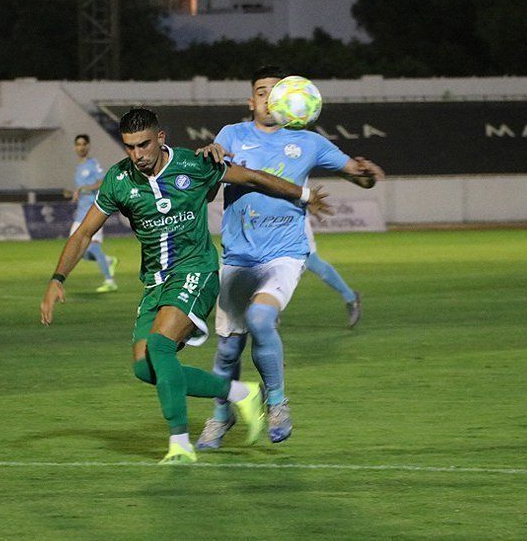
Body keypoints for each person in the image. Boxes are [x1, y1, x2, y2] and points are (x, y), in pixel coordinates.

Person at [40, 108, 331, 464]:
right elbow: (84, 232)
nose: (137, 155)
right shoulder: (119, 180)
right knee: (144, 368)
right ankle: (241, 392)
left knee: (161, 347)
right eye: (130, 147)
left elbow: (253, 177)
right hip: (155, 282)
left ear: (160, 138)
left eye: (144, 145)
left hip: (197, 270)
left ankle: (180, 444)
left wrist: (302, 195)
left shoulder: (195, 165)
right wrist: (58, 279)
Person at [194, 66, 385, 449]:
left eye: (276, 92)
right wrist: (211, 154)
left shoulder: (308, 142)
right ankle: (221, 414)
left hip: (285, 253)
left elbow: (355, 172)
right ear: (251, 101)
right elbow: (215, 168)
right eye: (262, 92)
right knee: (229, 347)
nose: (269, 99)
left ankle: (277, 401)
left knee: (262, 318)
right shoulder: (232, 135)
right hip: (238, 254)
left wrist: (366, 174)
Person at [69, 134, 118, 293]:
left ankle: (110, 281)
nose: (81, 147)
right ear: (75, 147)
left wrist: (84, 188)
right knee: (77, 250)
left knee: (94, 247)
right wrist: (76, 193)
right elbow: (83, 188)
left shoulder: (93, 164)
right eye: (78, 144)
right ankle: (108, 261)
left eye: (84, 144)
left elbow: (102, 182)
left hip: (93, 212)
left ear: (88, 146)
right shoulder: (78, 168)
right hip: (80, 214)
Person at [304, 214, 362, 327]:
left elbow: (305, 197)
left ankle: (351, 297)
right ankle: (269, 310)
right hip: (275, 226)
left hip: (294, 224)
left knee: (311, 261)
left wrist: (315, 211)